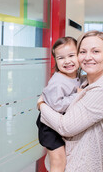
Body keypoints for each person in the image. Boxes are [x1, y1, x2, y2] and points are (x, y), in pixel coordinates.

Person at [38, 30, 103, 172]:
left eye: (96, 51)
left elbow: (66, 127)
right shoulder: (83, 81)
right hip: (68, 162)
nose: (88, 57)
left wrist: (41, 105)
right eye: (82, 52)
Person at [36, 36, 82, 172]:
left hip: (57, 123)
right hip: (48, 127)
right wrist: (78, 95)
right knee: (58, 162)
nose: (67, 61)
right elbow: (57, 105)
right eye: (61, 58)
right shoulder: (58, 81)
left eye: (71, 55)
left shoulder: (77, 76)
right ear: (55, 60)